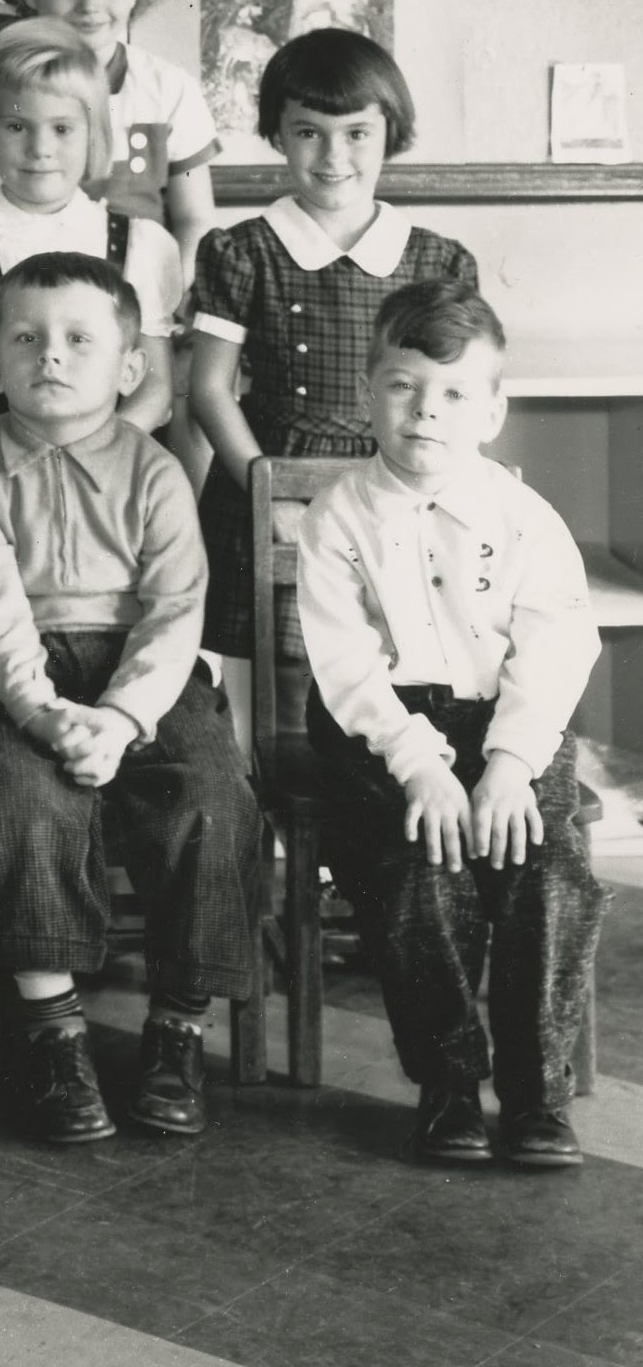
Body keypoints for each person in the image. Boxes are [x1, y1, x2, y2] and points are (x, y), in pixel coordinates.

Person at [0, 252, 258, 1144]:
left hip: (144, 675)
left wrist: (120, 718)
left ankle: (177, 1029)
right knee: (23, 796)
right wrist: (45, 714)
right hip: (23, 673)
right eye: (27, 337)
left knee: (210, 794)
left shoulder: (157, 472)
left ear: (128, 367)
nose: (51, 354)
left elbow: (175, 612)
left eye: (80, 338)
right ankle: (55, 1037)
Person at [297, 281, 606, 1169]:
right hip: (382, 723)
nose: (426, 411)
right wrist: (417, 763)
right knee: (421, 866)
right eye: (402, 385)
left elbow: (553, 647)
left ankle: (537, 1093)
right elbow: (345, 662)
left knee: (544, 869)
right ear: (367, 392)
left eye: (455, 393)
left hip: (511, 717)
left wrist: (508, 764)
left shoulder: (524, 519)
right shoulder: (336, 518)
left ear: (495, 409)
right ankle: (448, 1082)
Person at [187, 30, 477, 731]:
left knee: (388, 672)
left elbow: (454, 399)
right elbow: (208, 390)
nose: (334, 156)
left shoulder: (438, 262)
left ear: (391, 134)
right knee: (278, 689)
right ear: (278, 135)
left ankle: (359, 829)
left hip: (395, 490)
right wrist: (270, 491)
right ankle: (272, 831)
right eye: (309, 132)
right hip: (269, 483)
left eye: (357, 133)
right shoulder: (241, 251)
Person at [0, 18, 179, 433]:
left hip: (111, 465)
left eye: (62, 129)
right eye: (17, 127)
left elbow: (156, 389)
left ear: (93, 135)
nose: (40, 149)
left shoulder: (138, 244)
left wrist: (97, 454)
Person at [0, 0, 218, 271]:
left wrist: (173, 296)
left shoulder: (169, 90)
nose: (90, 4)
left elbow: (194, 219)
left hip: (138, 296)